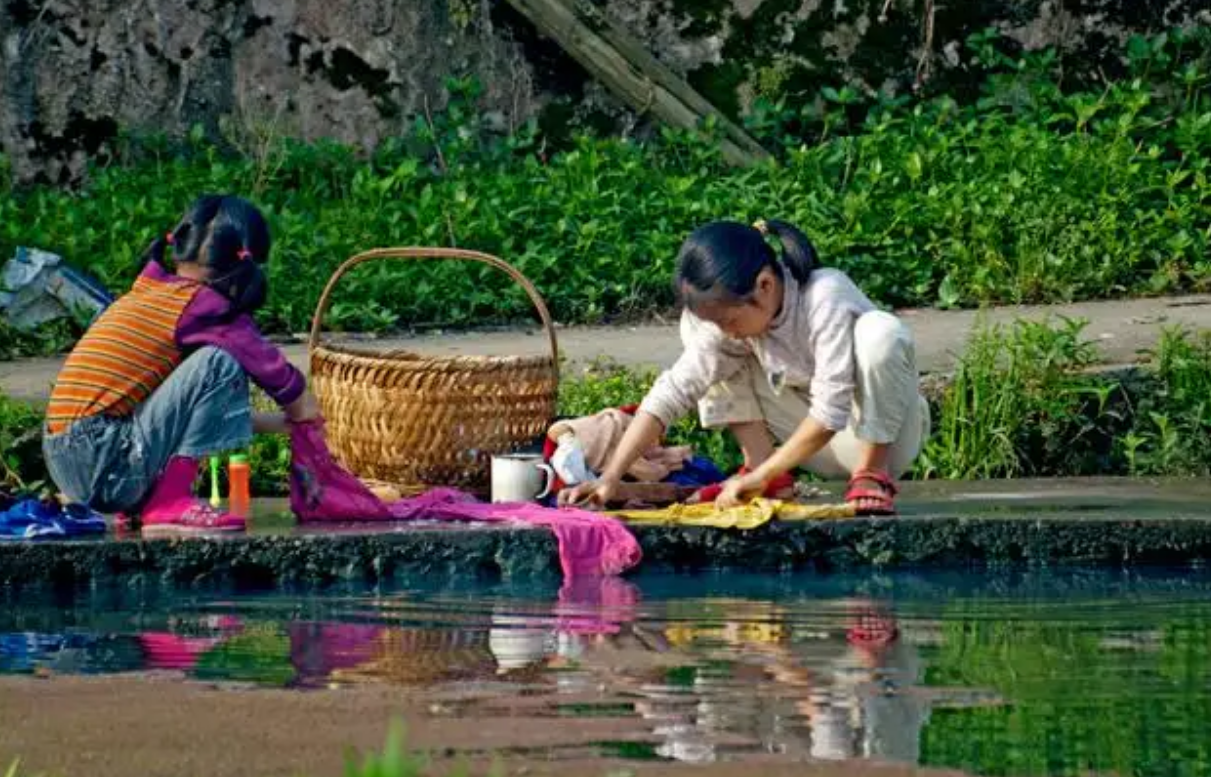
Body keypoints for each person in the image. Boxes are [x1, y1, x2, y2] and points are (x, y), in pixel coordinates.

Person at [559, 219, 929, 515]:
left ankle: (871, 475)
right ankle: (763, 469)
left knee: (881, 333)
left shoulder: (825, 295)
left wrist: (873, 463)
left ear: (765, 285)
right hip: (814, 443)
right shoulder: (734, 325)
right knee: (702, 337)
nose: (725, 330)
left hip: (879, 435)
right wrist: (610, 478)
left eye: (729, 319)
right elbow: (673, 391)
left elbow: (831, 411)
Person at [42, 194, 320, 533]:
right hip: (103, 462)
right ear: (245, 263)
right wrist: (313, 422)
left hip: (70, 460)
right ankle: (169, 500)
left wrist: (284, 425)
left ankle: (142, 503)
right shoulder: (206, 307)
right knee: (219, 363)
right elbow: (292, 393)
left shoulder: (151, 291)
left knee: (182, 368)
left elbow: (182, 413)